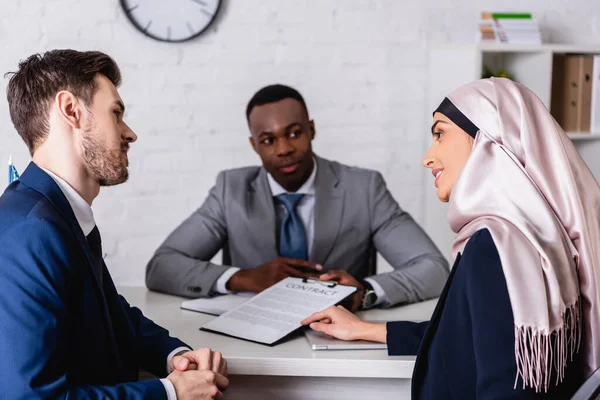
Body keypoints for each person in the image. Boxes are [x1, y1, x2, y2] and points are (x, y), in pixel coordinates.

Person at [302, 77, 600, 398]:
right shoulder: (539, 238)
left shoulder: (495, 245)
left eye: (440, 134)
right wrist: (363, 330)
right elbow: (469, 337)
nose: (427, 158)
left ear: (488, 140)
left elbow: (508, 389)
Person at [0, 50, 228, 399]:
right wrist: (169, 393)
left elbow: (110, 313)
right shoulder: (32, 231)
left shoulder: (58, 213)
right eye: (116, 113)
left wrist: (176, 356)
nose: (130, 133)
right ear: (71, 110)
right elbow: (31, 397)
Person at [146, 84, 449, 311]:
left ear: (311, 129)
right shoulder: (231, 190)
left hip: (340, 341)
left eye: (293, 133)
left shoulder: (364, 189)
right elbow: (162, 267)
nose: (283, 149)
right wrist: (244, 278)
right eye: (268, 140)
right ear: (254, 146)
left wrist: (365, 291)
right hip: (252, 341)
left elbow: (433, 268)